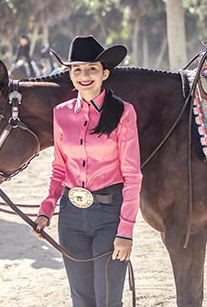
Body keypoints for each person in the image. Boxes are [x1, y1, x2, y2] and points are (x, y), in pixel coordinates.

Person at [33, 35, 142, 307]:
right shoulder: (61, 114)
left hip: (109, 217)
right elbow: (59, 168)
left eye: (92, 69)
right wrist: (46, 209)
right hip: (71, 218)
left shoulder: (124, 113)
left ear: (105, 73)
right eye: (77, 69)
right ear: (70, 74)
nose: (84, 76)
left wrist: (125, 231)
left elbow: (132, 176)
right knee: (81, 300)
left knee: (107, 300)